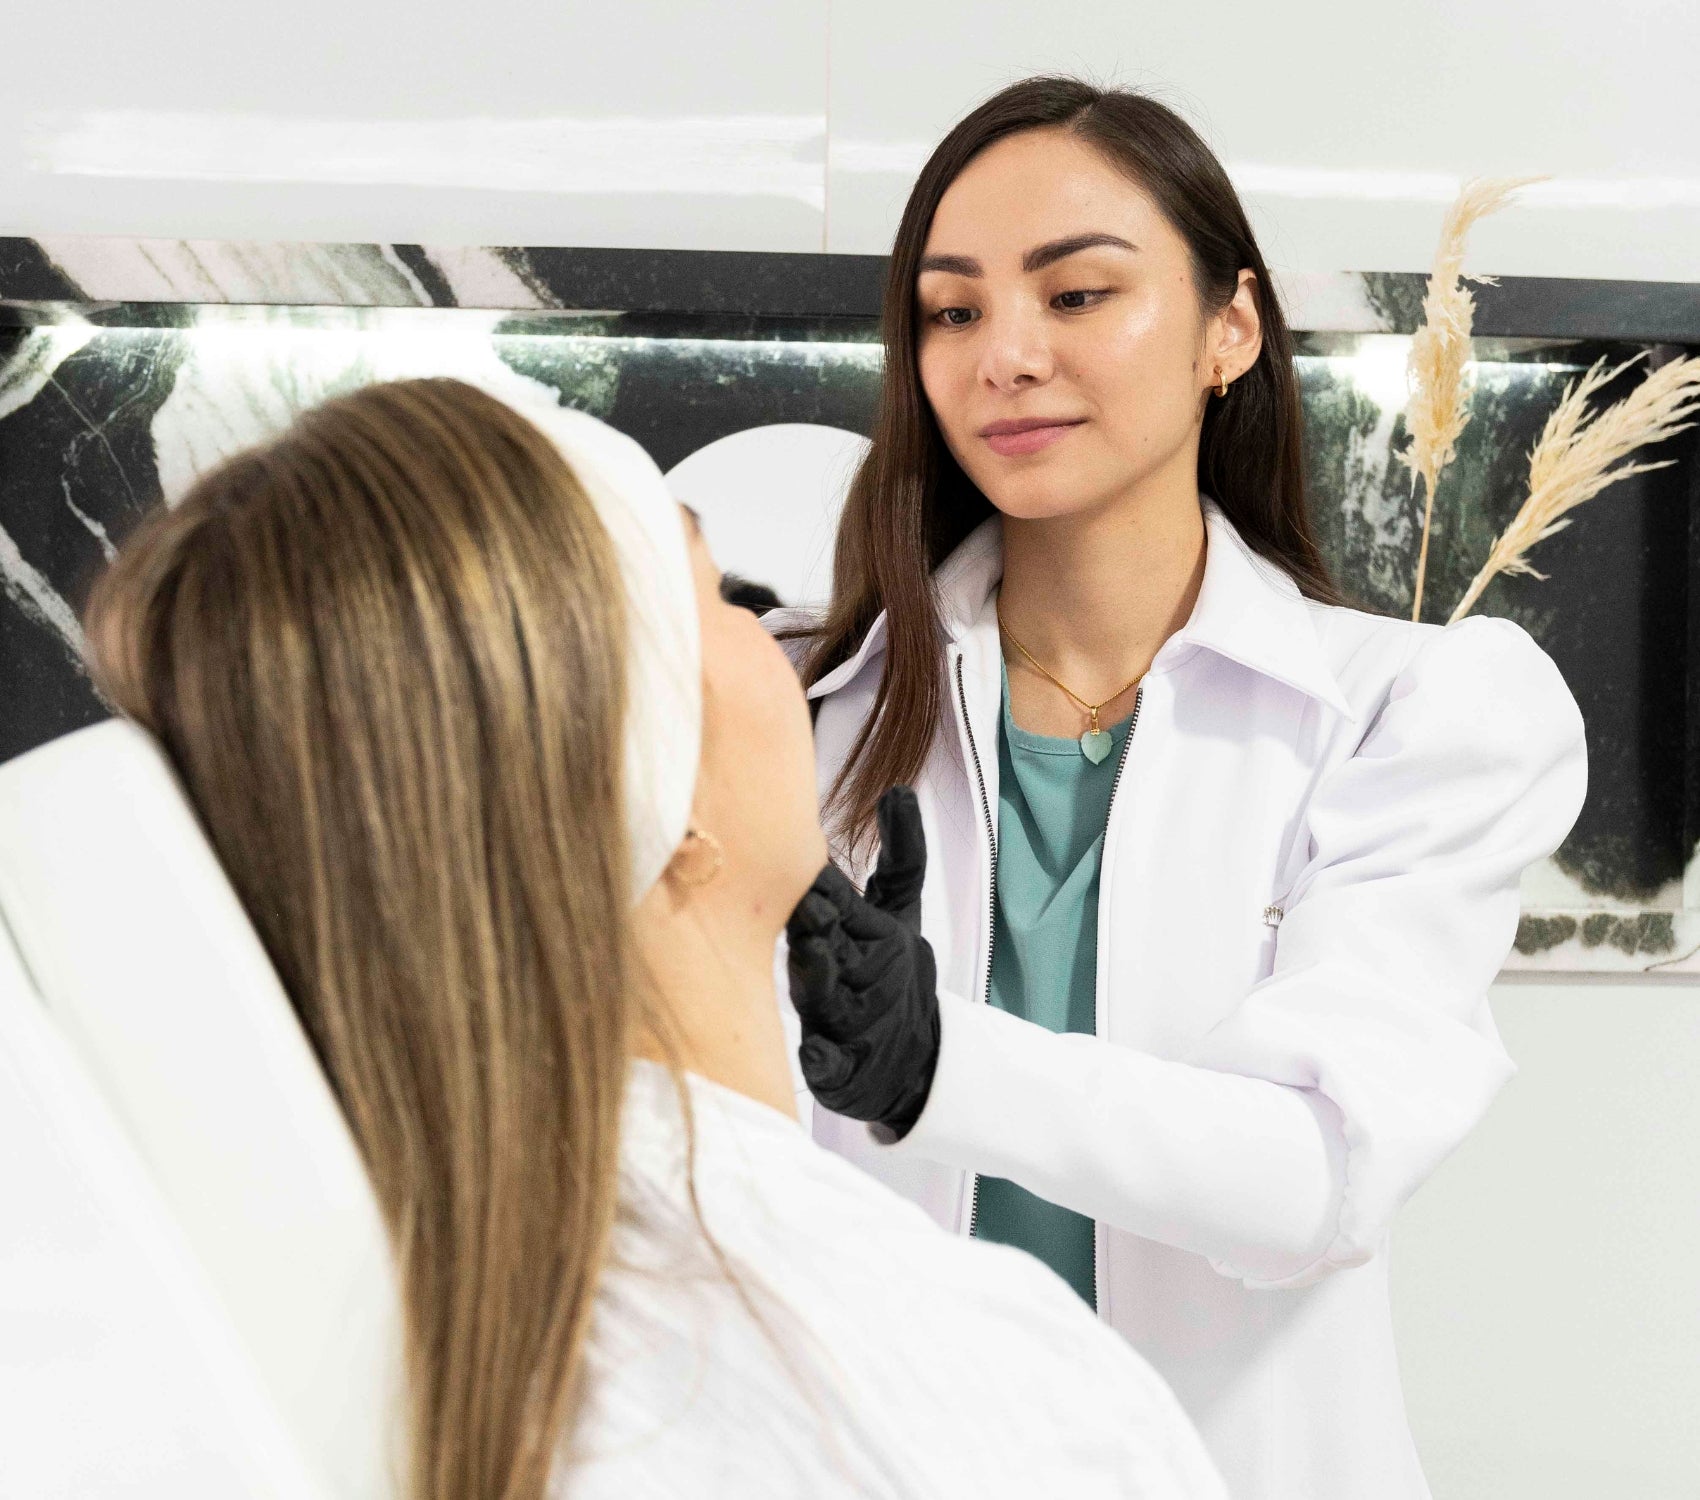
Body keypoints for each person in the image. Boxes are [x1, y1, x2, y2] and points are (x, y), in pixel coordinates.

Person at [80, 376, 1225, 1500]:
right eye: (725, 597)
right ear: (653, 784)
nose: (783, 651)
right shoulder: (991, 1396)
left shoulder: (274, 1319)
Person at [769, 77, 1589, 1500]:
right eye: (953, 312)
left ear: (1232, 327)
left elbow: (1314, 1177)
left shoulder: (1412, 714)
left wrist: (929, 1063)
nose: (1006, 355)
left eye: (1078, 294)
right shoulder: (799, 709)